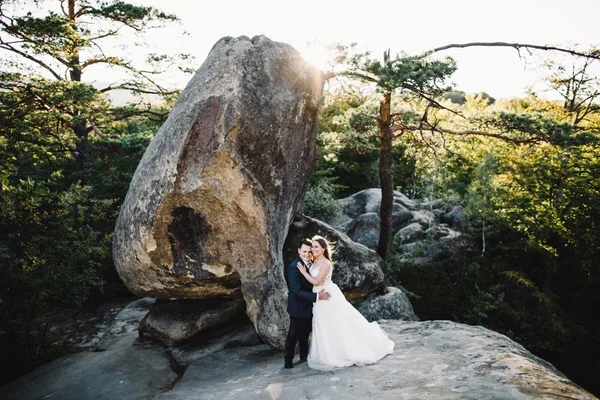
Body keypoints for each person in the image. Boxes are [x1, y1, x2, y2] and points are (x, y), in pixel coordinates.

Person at [297, 235, 395, 371]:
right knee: (322, 323)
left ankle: (343, 352)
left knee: (334, 322)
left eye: (316, 246)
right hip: (318, 296)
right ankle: (327, 352)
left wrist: (303, 272)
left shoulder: (326, 264)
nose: (313, 249)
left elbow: (317, 281)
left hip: (327, 295)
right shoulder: (314, 261)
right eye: (312, 246)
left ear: (323, 249)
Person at [284, 238, 331, 369]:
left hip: (311, 305)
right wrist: (317, 296)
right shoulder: (294, 267)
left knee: (306, 333)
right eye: (304, 251)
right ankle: (288, 360)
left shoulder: (314, 262)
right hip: (298, 306)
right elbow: (296, 291)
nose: (307, 254)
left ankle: (304, 355)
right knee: (293, 334)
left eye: (309, 251)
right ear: (299, 251)